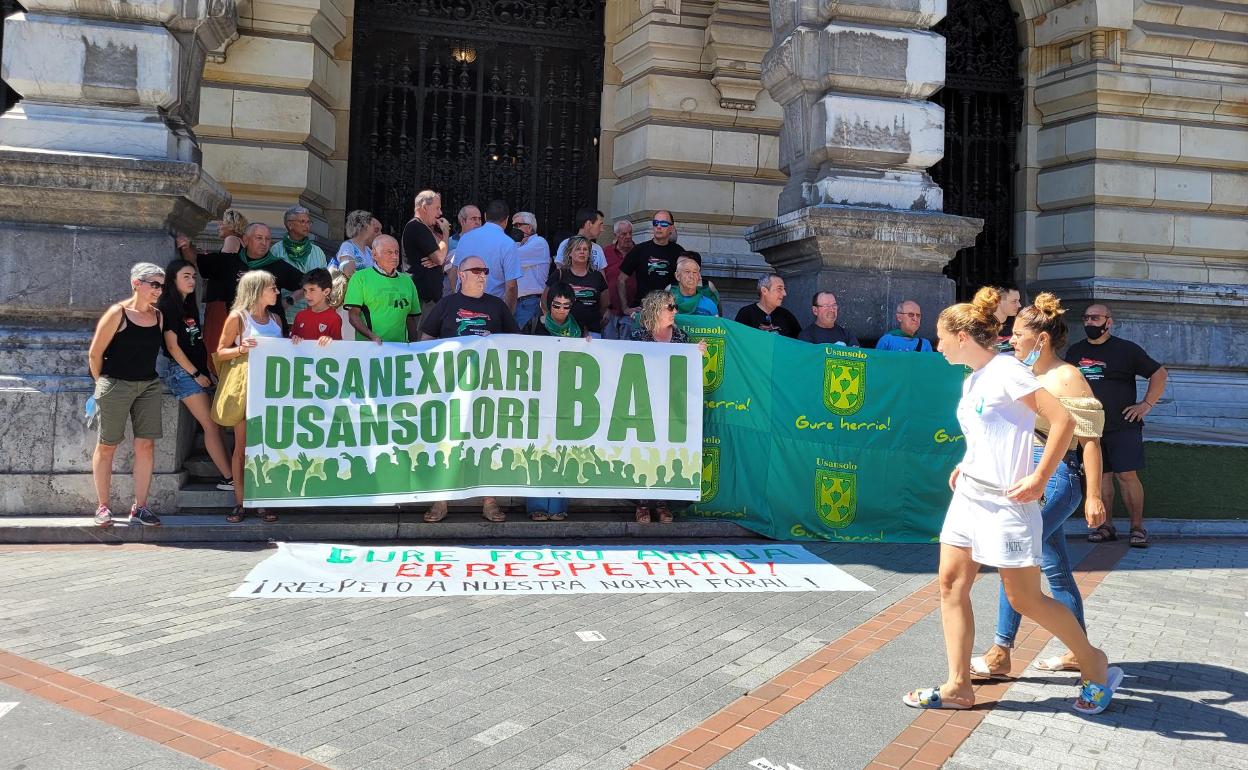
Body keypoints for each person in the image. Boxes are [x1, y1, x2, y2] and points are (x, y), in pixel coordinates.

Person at [903, 287, 1120, 716]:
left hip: (1007, 502)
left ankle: (1094, 662)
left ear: (962, 337)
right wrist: (966, 464)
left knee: (1025, 598)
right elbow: (987, 432)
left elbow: (1063, 420)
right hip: (969, 496)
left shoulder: (1007, 371)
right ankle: (958, 686)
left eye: (941, 337)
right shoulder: (973, 379)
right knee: (950, 585)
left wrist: (1040, 478)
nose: (937, 345)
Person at [970, 293, 1108, 679]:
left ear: (1042, 339)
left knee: (1013, 557)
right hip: (1025, 476)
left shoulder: (1067, 377)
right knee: (1055, 568)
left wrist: (1094, 496)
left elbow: (1090, 441)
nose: (1011, 339)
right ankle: (1079, 651)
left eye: (1018, 334)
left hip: (1056, 479)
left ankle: (1000, 652)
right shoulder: (1020, 373)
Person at [420, 255, 519, 524]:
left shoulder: (497, 305)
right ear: (461, 275)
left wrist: (495, 341)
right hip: (451, 389)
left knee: (486, 442)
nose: (482, 275)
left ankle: (489, 500)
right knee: (447, 441)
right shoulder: (447, 304)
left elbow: (516, 344)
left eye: (485, 270)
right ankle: (441, 499)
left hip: (487, 389)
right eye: (476, 270)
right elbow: (426, 340)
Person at [1065, 303, 1167, 548]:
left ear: (1108, 322)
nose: (1090, 322)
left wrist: (1146, 405)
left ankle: (1137, 528)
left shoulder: (1126, 350)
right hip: (1089, 427)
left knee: (1127, 476)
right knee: (1100, 476)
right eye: (1086, 318)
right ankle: (1105, 527)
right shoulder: (1075, 351)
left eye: (1095, 318)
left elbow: (1159, 373)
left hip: (1123, 425)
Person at [87, 263, 169, 528]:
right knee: (107, 445)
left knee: (146, 446)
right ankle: (103, 507)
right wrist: (102, 385)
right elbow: (95, 354)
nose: (158, 290)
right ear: (137, 284)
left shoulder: (158, 316)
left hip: (148, 386)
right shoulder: (118, 312)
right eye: (154, 284)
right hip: (115, 384)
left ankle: (141, 507)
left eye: (161, 285)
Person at [629, 290, 706, 524]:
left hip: (672, 405)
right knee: (643, 451)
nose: (674, 311)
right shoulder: (638, 336)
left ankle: (663, 503)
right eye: (669, 307)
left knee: (667, 452)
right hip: (644, 403)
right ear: (655, 310)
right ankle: (642, 504)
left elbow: (688, 369)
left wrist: (697, 354)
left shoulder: (681, 337)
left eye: (675, 307)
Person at [157, 259, 233, 493]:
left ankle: (232, 474)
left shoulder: (188, 305)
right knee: (210, 425)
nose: (191, 281)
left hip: (199, 371)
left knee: (216, 425)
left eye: (193, 276)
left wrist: (206, 370)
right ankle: (229, 478)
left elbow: (195, 343)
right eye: (186, 276)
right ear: (173, 279)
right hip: (183, 373)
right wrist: (196, 373)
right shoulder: (168, 306)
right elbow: (172, 346)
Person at [216, 270, 285, 524]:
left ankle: (263, 501)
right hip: (247, 388)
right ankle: (240, 501)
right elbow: (220, 351)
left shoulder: (276, 319)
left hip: (272, 390)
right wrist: (241, 348)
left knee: (267, 447)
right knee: (243, 446)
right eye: (272, 288)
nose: (277, 291)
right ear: (257, 290)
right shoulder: (238, 317)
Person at [193, 223, 304, 373]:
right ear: (245, 239)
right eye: (259, 238)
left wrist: (290, 300)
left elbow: (308, 283)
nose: (264, 243)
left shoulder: (278, 266)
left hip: (271, 328)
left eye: (267, 239)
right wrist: (185, 246)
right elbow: (197, 262)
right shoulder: (229, 262)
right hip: (239, 329)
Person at [522, 282, 588, 522]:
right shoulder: (532, 326)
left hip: (568, 396)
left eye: (566, 306)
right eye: (556, 305)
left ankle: (559, 504)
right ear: (547, 304)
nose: (561, 310)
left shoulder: (579, 328)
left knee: (564, 450)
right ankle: (537, 505)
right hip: (539, 396)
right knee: (538, 449)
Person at [345, 235, 421, 343]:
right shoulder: (360, 278)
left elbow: (409, 318)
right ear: (374, 254)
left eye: (396, 252)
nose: (394, 256)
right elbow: (353, 316)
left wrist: (414, 345)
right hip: (371, 348)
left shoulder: (407, 281)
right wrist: (372, 337)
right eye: (389, 252)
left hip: (400, 349)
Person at [450, 199, 520, 310]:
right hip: (491, 308)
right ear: (507, 219)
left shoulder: (465, 238)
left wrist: (458, 298)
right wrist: (508, 314)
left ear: (485, 216)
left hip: (464, 305)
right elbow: (511, 286)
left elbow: (453, 273)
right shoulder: (508, 244)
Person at [270, 205, 328, 323]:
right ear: (290, 224)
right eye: (302, 221)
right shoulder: (276, 250)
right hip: (285, 315)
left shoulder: (318, 251)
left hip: (312, 315)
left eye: (308, 222)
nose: (307, 225)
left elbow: (324, 282)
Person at [618, 210, 682, 313]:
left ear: (671, 228)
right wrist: (625, 308)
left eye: (663, 223)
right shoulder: (639, 250)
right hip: (643, 310)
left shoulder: (679, 252)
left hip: (668, 311)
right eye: (655, 223)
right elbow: (621, 279)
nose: (658, 226)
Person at [545, 235, 609, 336]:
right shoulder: (560, 274)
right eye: (578, 249)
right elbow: (545, 300)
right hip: (564, 331)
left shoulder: (597, 276)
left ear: (589, 254)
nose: (582, 252)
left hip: (592, 331)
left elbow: (605, 303)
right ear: (570, 253)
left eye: (585, 249)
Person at [402, 189, 451, 317]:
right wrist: (446, 232)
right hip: (422, 299)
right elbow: (440, 257)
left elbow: (440, 257)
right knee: (423, 330)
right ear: (424, 207)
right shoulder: (417, 227)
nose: (440, 213)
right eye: (437, 208)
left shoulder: (425, 228)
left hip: (429, 298)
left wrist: (438, 260)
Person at [512, 210, 551, 329]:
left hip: (531, 302)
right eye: (513, 226)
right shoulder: (519, 244)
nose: (514, 229)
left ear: (529, 227)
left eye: (518, 225)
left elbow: (511, 258)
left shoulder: (539, 242)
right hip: (518, 302)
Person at [734, 274, 801, 337]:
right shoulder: (746, 314)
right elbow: (736, 340)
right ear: (764, 291)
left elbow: (799, 342)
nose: (784, 293)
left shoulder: (787, 316)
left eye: (784, 289)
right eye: (779, 289)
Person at [291, 268, 343, 344]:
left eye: (312, 290)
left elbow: (339, 347)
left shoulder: (334, 319)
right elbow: (291, 342)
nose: (307, 295)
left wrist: (330, 340)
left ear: (326, 291)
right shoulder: (300, 316)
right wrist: (295, 338)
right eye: (305, 290)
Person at [555, 207, 608, 272]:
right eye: (600, 225)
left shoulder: (598, 249)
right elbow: (560, 272)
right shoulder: (567, 244)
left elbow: (602, 275)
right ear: (589, 224)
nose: (602, 229)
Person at [332, 210, 381, 277]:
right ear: (364, 226)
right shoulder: (347, 246)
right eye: (376, 230)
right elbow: (349, 273)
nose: (380, 234)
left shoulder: (369, 251)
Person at [603, 218, 636, 316]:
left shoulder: (639, 252)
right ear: (616, 235)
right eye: (624, 234)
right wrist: (604, 308)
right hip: (610, 311)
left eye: (630, 233)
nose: (628, 237)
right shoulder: (606, 252)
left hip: (634, 310)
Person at [994, 285, 1022, 351]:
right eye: (1014, 301)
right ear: (999, 301)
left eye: (1018, 301)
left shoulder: (1019, 322)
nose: (1019, 305)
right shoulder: (982, 325)